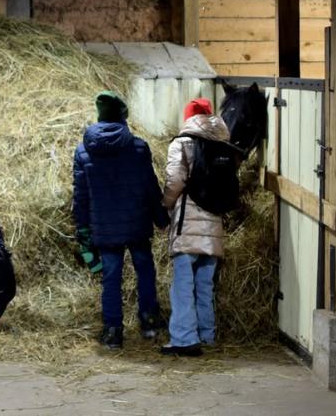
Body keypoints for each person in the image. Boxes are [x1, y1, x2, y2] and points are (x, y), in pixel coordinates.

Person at [72, 91, 169, 350]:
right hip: (136, 222)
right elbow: (151, 187)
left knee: (111, 276)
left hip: (103, 225)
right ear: (123, 116)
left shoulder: (83, 151)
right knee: (145, 269)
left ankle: (113, 330)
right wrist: (161, 218)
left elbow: (81, 196)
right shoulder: (138, 147)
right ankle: (149, 321)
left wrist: (82, 227)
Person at [160, 98, 230, 357]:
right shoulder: (223, 144)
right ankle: (207, 335)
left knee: (182, 285)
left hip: (187, 223)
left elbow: (176, 180)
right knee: (204, 285)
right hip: (214, 225)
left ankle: (184, 339)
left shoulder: (182, 143)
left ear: (189, 117)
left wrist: (165, 204)